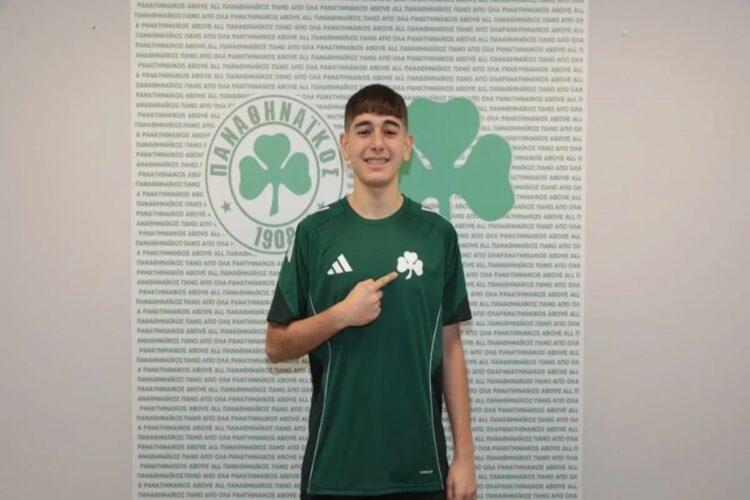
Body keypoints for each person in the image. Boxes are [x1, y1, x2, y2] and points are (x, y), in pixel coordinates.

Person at [265, 84, 477, 500]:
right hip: (334, 472)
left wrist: (465, 457)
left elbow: (451, 348)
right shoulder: (314, 234)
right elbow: (275, 345)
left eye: (389, 130)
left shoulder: (438, 235)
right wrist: (340, 315)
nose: (377, 142)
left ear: (407, 146)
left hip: (420, 470)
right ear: (345, 145)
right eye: (364, 130)